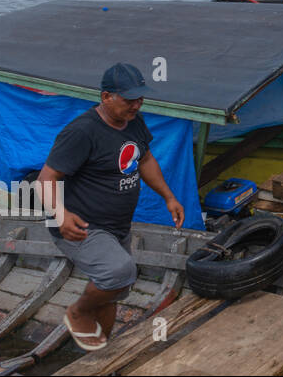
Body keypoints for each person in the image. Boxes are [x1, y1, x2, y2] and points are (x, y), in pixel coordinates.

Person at [36, 63, 184, 351]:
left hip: (116, 225)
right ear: (106, 97)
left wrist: (169, 197)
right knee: (118, 272)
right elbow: (45, 178)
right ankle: (78, 312)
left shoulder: (134, 122)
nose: (136, 105)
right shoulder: (81, 132)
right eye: (129, 100)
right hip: (79, 226)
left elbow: (145, 160)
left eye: (140, 99)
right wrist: (61, 214)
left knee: (116, 291)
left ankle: (102, 348)